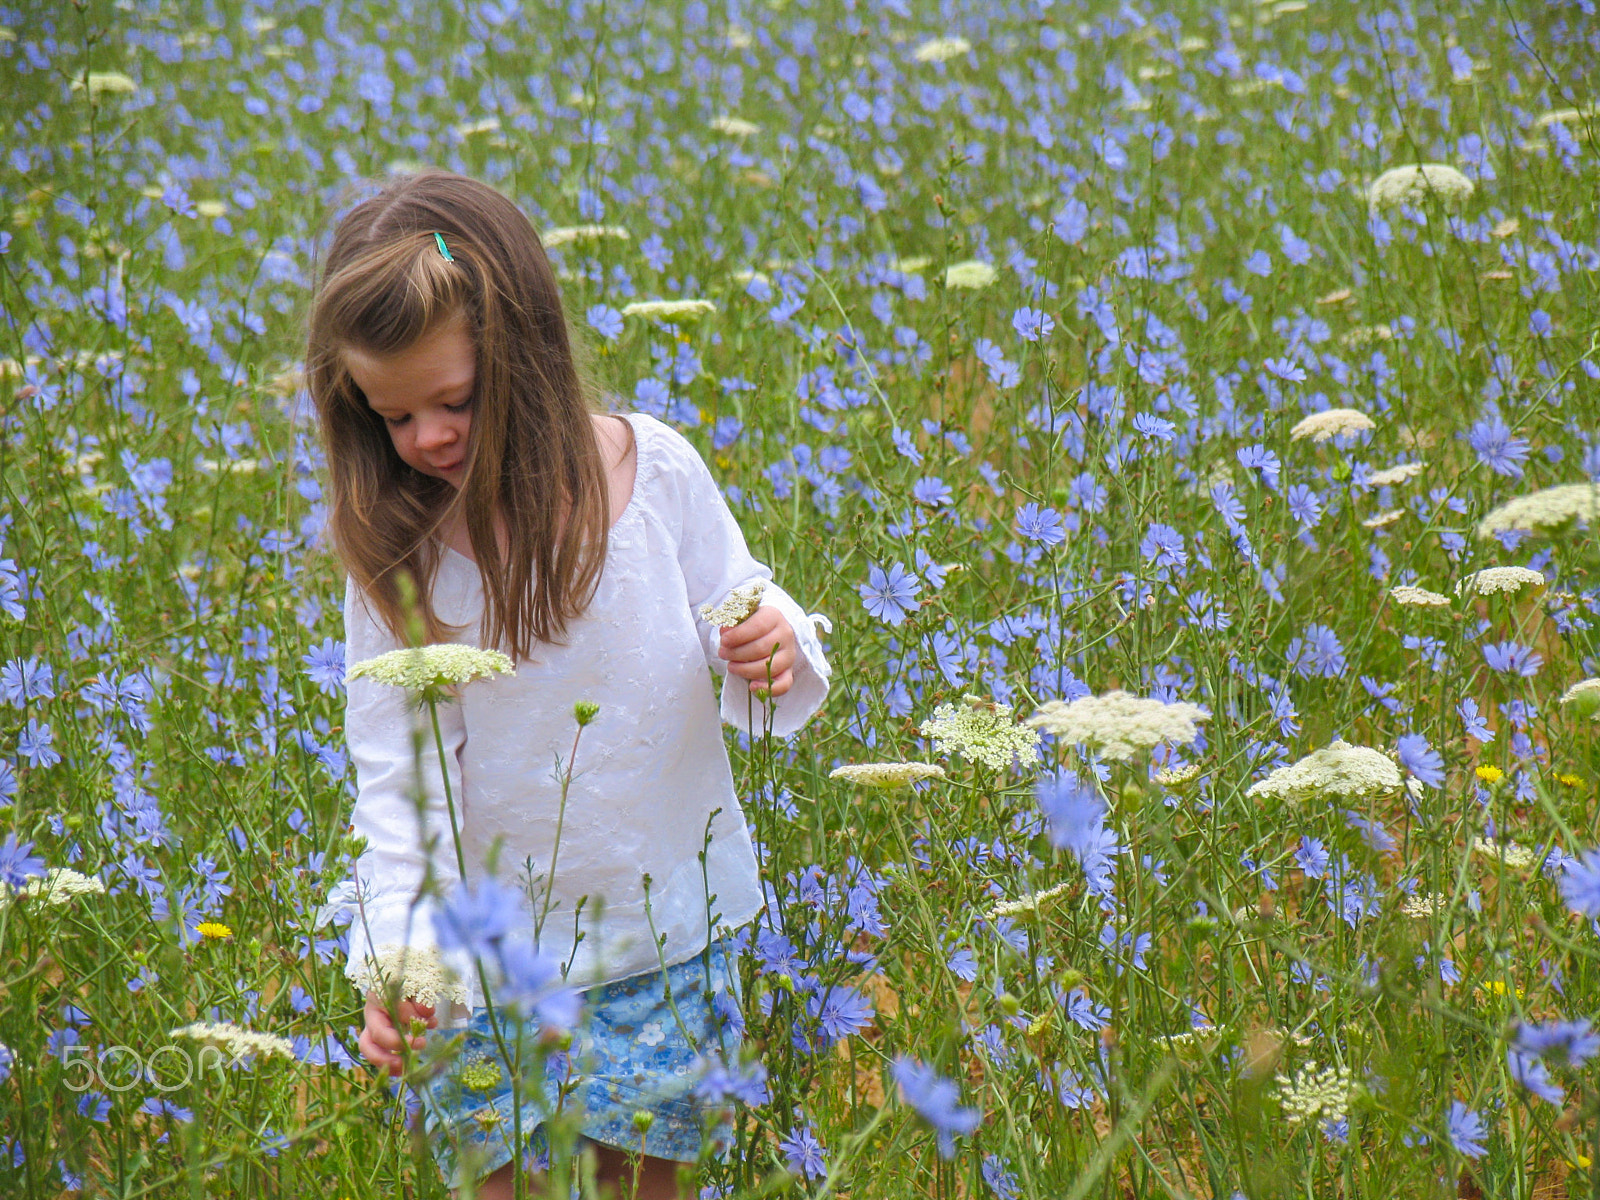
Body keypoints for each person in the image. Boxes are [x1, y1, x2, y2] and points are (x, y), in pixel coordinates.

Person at [305, 169, 832, 1199]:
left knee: (641, 1182)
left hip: (661, 938)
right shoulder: (400, 556)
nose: (424, 439)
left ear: (527, 357)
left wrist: (776, 642)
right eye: (391, 416)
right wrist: (402, 962)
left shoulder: (658, 476)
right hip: (485, 964)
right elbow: (400, 787)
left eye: (453, 401)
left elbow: (742, 602)